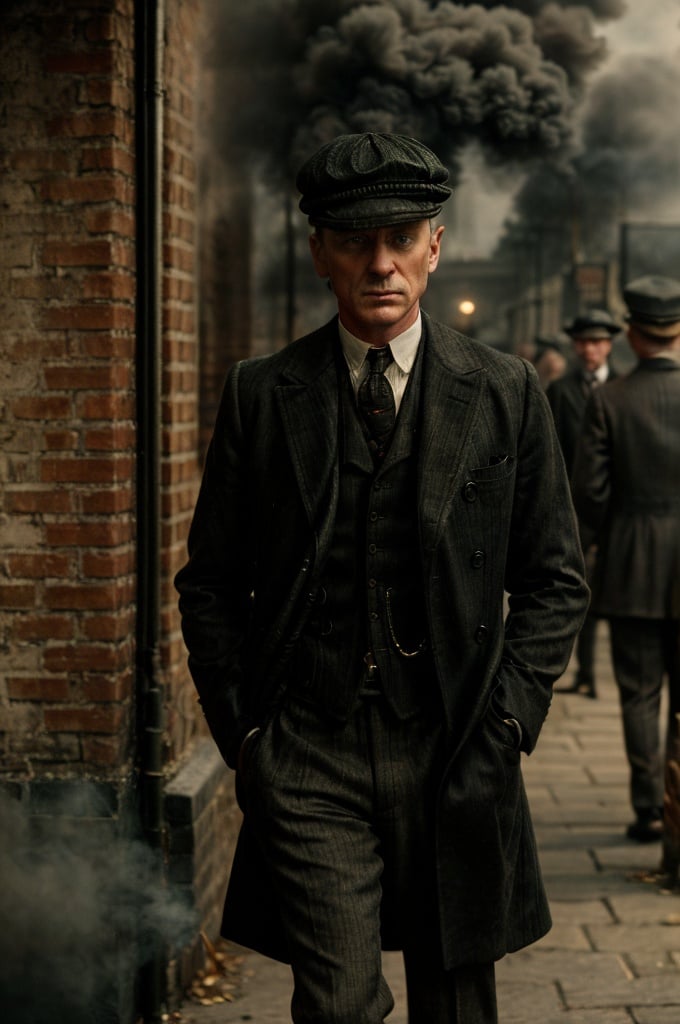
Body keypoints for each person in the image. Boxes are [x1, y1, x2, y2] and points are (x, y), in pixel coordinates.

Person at [175, 132, 589, 1023]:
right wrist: (249, 738)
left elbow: (556, 580)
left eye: (402, 238)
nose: (381, 265)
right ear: (318, 250)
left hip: (455, 745)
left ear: (434, 246)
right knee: (336, 1005)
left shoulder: (506, 391)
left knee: (456, 1003)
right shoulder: (262, 393)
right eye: (355, 240)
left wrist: (508, 722)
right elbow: (209, 585)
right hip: (310, 751)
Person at [571, 276, 680, 844]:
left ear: (633, 336)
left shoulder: (607, 401)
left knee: (639, 693)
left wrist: (586, 546)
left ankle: (649, 809)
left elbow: (590, 492)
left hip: (633, 564)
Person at [547, 309, 621, 698]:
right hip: (577, 510)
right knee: (583, 593)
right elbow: (550, 450)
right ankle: (587, 671)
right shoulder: (560, 392)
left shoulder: (625, 386)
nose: (590, 349)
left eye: (597, 342)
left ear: (609, 346)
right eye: (584, 342)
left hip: (621, 513)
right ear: (575, 347)